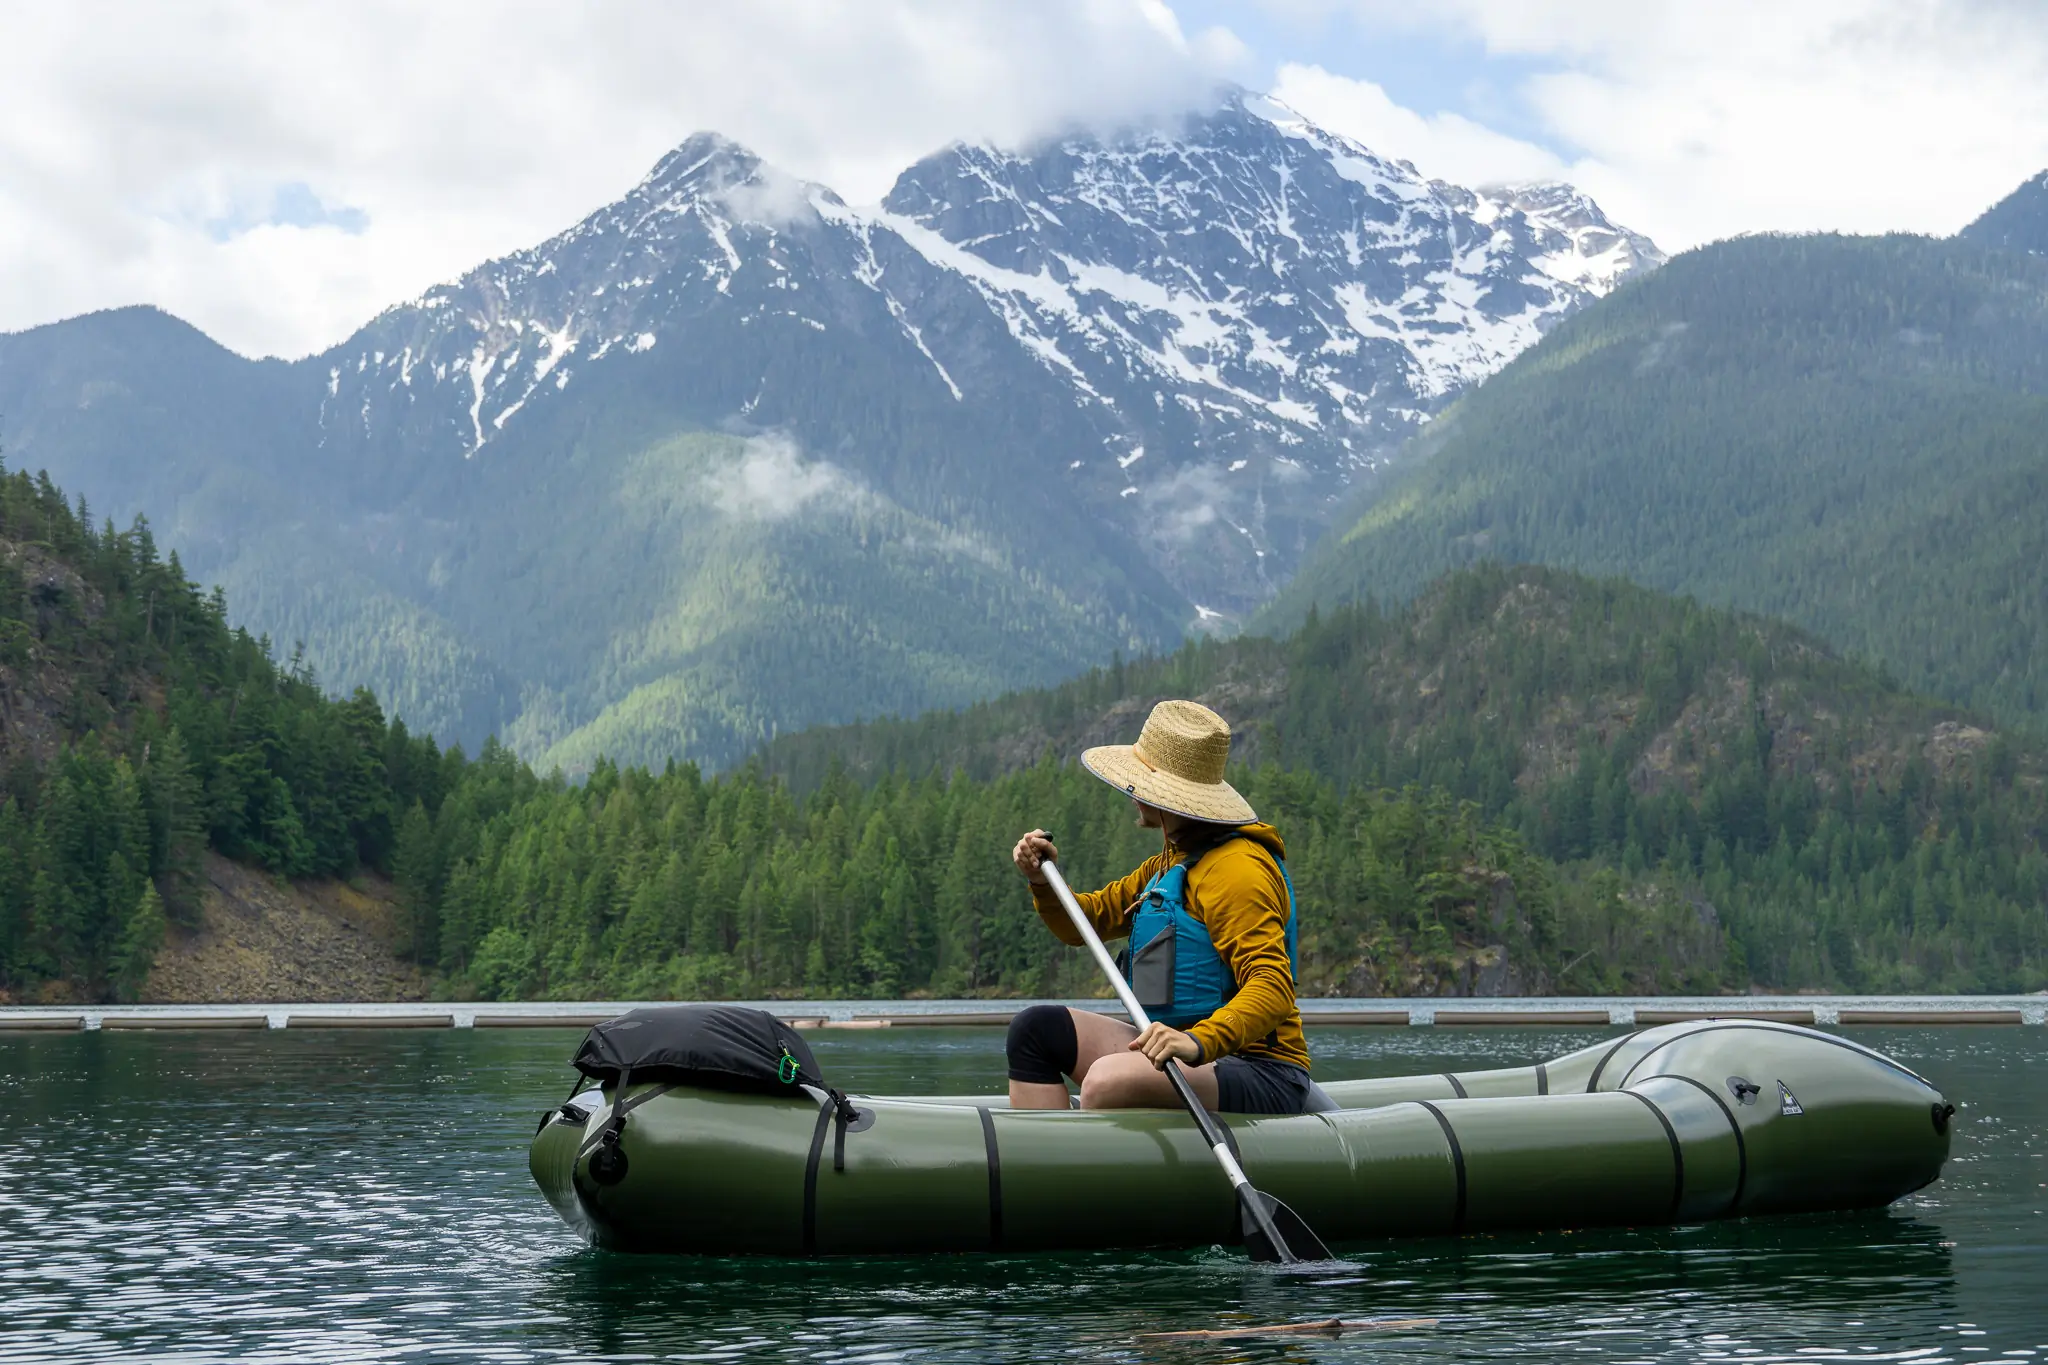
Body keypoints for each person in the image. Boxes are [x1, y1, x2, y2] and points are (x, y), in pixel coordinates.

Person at [1006, 699, 1314, 1115]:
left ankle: (1083, 1170)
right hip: (1175, 1052)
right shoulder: (1170, 863)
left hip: (1259, 1068)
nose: (1130, 792)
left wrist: (1198, 1041)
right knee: (1035, 1030)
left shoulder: (1237, 870)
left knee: (1105, 1080)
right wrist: (1042, 882)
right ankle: (1043, 1164)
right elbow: (1082, 925)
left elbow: (1273, 987)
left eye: (1140, 782)